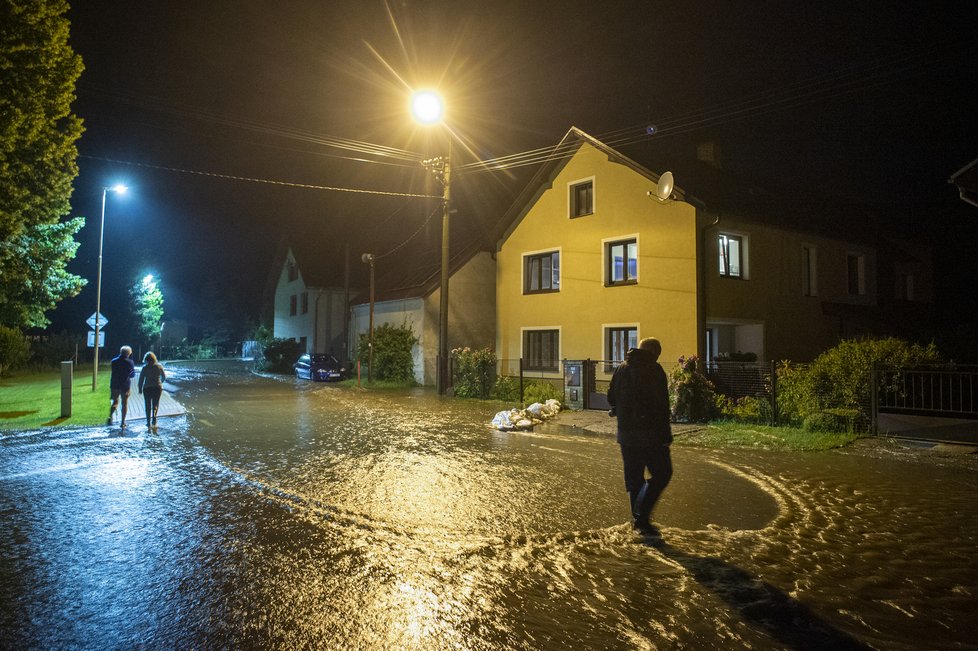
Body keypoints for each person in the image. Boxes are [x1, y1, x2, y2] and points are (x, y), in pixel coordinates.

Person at [606, 337, 673, 536]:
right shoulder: (654, 370)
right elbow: (660, 405)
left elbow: (611, 397)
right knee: (662, 474)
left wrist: (621, 410)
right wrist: (664, 435)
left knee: (635, 479)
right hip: (651, 435)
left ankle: (638, 523)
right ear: (655, 352)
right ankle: (641, 517)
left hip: (626, 435)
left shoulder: (621, 368)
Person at [107, 345, 136, 428]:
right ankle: (122, 422)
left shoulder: (114, 361)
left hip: (115, 385)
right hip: (125, 385)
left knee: (115, 401)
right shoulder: (130, 362)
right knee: (124, 403)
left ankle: (110, 417)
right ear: (128, 353)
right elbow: (132, 375)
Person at [137, 351, 166, 429]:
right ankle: (154, 417)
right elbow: (164, 377)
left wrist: (139, 389)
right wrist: (160, 382)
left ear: (146, 359)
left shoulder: (145, 368)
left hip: (147, 388)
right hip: (157, 387)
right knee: (155, 404)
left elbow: (141, 380)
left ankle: (148, 422)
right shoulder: (159, 366)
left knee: (147, 405)